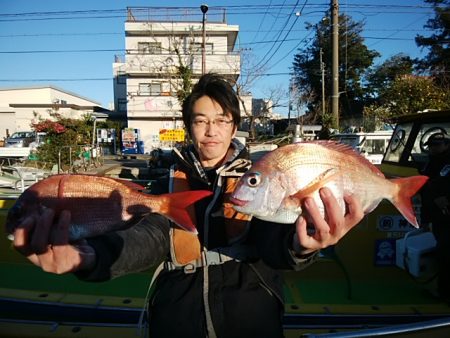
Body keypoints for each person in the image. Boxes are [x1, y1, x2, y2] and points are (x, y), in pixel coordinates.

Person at [11, 73, 364, 338]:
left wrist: (301, 246)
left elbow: (273, 238)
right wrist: (91, 258)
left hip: (251, 318)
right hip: (176, 319)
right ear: (188, 127)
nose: (211, 131)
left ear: (234, 126)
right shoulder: (167, 179)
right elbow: (147, 237)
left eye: (222, 120)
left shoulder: (260, 176)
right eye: (200, 120)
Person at [420, 132, 450, 303]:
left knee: (446, 253)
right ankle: (442, 291)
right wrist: (425, 219)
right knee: (442, 252)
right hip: (437, 217)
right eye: (432, 145)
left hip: (446, 215)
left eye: (438, 144)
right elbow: (427, 190)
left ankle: (445, 294)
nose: (434, 148)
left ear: (446, 145)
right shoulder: (430, 163)